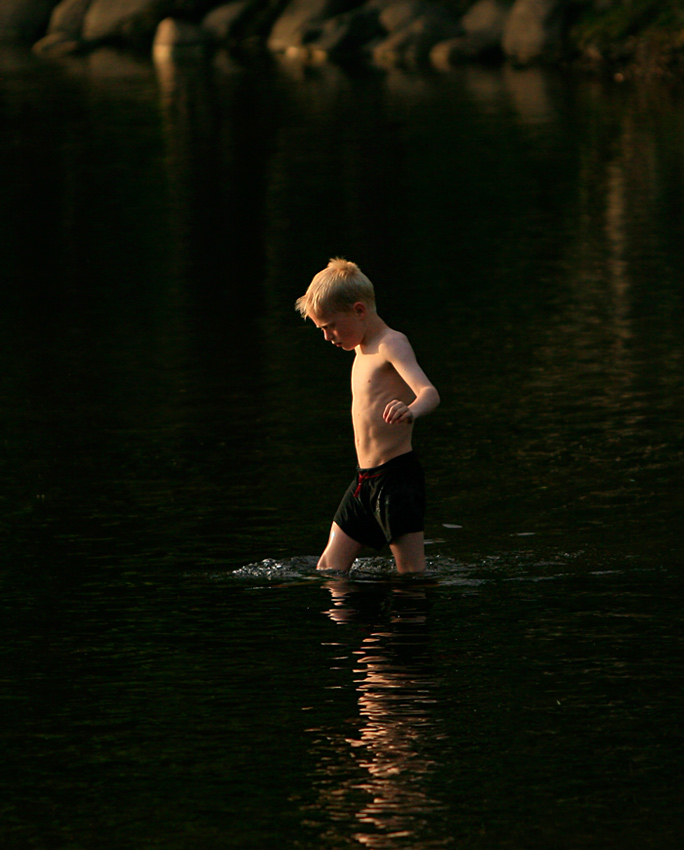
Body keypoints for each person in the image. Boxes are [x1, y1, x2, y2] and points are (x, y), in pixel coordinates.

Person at [295, 258, 440, 574]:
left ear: (359, 310)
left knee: (411, 573)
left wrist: (410, 409)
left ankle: (407, 622)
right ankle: (363, 623)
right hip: (365, 481)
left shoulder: (391, 344)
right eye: (321, 329)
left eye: (330, 325)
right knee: (329, 568)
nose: (327, 336)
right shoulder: (360, 349)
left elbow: (430, 393)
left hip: (396, 479)